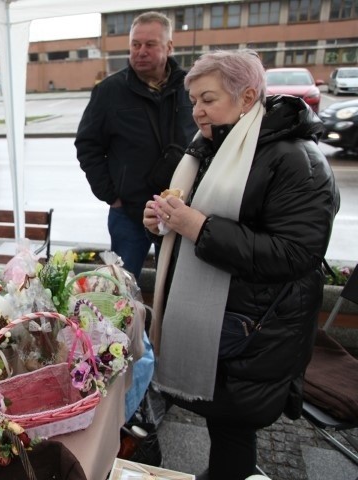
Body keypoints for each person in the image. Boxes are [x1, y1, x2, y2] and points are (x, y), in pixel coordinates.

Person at [143, 50, 339, 480]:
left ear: (248, 96)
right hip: (222, 323)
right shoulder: (216, 145)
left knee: (232, 427)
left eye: (208, 99)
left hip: (256, 330)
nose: (197, 111)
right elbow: (194, 216)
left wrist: (197, 226)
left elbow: (295, 254)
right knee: (223, 423)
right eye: (193, 100)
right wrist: (162, 221)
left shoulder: (297, 160)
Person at [75, 11, 197, 279]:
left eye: (150, 44)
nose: (141, 51)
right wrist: (112, 195)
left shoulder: (190, 87)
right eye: (135, 44)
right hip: (129, 214)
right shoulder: (109, 91)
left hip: (182, 211)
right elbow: (87, 146)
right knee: (121, 288)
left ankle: (164, 323)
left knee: (177, 284)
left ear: (169, 47)